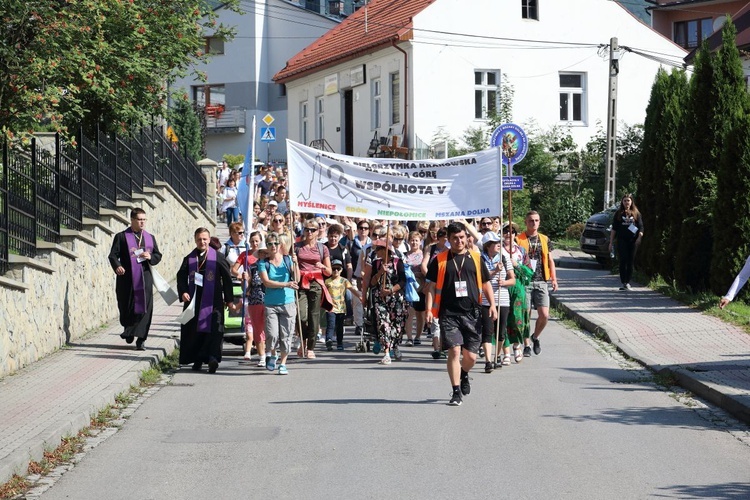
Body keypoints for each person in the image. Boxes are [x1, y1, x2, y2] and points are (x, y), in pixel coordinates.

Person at [425, 222, 497, 406]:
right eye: (455, 238)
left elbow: (486, 283)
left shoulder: (475, 257)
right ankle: (456, 391)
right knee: (454, 350)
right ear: (448, 239)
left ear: (467, 238)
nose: (459, 241)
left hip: (472, 313)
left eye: (462, 237)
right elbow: (431, 287)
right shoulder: (440, 260)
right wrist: (429, 309)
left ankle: (464, 373)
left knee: (471, 357)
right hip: (448, 313)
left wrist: (492, 305)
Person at [177, 228, 235, 373]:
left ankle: (212, 358)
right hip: (194, 301)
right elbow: (181, 276)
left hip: (213, 301)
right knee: (194, 332)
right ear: (195, 240)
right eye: (199, 239)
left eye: (204, 239)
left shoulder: (218, 257)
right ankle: (197, 359)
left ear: (209, 240)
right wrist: (183, 291)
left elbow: (227, 279)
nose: (202, 242)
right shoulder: (189, 258)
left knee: (214, 331)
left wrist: (229, 300)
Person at [108, 208, 163, 351]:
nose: (142, 222)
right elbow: (113, 255)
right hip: (127, 279)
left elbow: (158, 255)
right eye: (139, 219)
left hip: (145, 278)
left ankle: (141, 339)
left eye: (144, 219)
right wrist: (117, 266)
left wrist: (151, 257)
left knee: (145, 308)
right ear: (132, 220)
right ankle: (129, 329)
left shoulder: (150, 237)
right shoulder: (121, 237)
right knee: (126, 306)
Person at [517, 210, 558, 356]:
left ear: (539, 222)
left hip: (541, 280)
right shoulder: (519, 239)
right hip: (525, 281)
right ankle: (526, 344)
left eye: (536, 220)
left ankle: (536, 336)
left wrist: (554, 278)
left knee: (544, 315)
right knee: (525, 314)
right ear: (525, 222)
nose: (533, 223)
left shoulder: (545, 239)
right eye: (531, 220)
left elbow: (550, 260)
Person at [258, 232, 299, 375]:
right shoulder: (263, 263)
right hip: (271, 303)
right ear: (267, 246)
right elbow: (267, 282)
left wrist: (296, 263)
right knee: (272, 334)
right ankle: (273, 354)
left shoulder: (287, 260)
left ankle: (283, 363)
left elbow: (297, 279)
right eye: (270, 244)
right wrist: (286, 284)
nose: (273, 246)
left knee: (286, 335)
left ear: (279, 245)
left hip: (288, 302)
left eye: (275, 243)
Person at [363, 239, 408, 364]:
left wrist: (391, 290)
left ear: (384, 250)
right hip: (380, 298)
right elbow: (372, 282)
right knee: (383, 324)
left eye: (378, 249)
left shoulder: (397, 262)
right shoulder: (376, 263)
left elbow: (403, 281)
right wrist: (380, 273)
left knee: (397, 325)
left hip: (396, 299)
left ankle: (395, 346)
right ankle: (387, 352)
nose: (376, 252)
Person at [295, 218, 333, 358]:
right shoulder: (297, 247)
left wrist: (322, 266)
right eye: (307, 229)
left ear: (318, 232)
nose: (310, 232)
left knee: (314, 315)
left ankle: (310, 347)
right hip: (301, 281)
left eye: (313, 230)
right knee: (301, 315)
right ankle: (303, 340)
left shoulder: (322, 248)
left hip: (316, 282)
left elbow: (329, 271)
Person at [479, 231, 514, 373]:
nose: (499, 245)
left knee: (500, 331)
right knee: (487, 330)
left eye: (499, 243)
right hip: (486, 300)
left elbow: (513, 279)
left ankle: (497, 356)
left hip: (502, 299)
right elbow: (481, 278)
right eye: (495, 243)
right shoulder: (480, 259)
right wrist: (494, 271)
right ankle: (488, 360)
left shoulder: (504, 258)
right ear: (488, 246)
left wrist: (504, 281)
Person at [232, 231, 267, 365]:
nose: (254, 244)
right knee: (254, 327)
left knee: (267, 329)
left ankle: (268, 353)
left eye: (257, 241)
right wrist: (242, 277)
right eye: (252, 241)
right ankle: (261, 354)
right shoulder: (245, 255)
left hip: (268, 298)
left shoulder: (267, 260)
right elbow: (234, 270)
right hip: (252, 295)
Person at [501, 222, 531, 365]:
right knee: (504, 319)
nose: (508, 234)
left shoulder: (521, 251)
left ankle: (517, 345)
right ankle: (506, 352)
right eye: (506, 231)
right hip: (502, 287)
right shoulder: (498, 250)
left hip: (518, 288)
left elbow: (529, 273)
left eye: (512, 232)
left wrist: (517, 265)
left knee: (517, 318)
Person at [609, 194, 644, 291]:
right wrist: (611, 242)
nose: (626, 202)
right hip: (621, 240)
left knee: (630, 261)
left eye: (628, 200)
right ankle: (623, 281)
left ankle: (628, 282)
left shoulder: (636, 213)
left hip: (632, 241)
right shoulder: (618, 214)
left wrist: (639, 238)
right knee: (623, 259)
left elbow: (641, 227)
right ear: (622, 202)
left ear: (631, 202)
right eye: (624, 200)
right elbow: (614, 229)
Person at [325, 259, 361, 351]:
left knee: (340, 326)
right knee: (331, 324)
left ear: (341, 270)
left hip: (341, 308)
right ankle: (328, 340)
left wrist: (360, 296)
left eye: (338, 268)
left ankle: (339, 343)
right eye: (333, 269)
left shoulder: (344, 281)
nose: (336, 270)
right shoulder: (327, 281)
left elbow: (352, 289)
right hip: (330, 307)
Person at [403, 230, 426, 346]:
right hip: (410, 288)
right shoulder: (405, 255)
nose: (414, 242)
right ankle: (409, 337)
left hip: (422, 287)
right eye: (412, 240)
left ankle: (418, 336)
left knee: (420, 313)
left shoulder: (424, 255)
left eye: (416, 240)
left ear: (420, 242)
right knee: (410, 313)